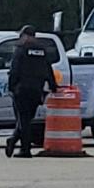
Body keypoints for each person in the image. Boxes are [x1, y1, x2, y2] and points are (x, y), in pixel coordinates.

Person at [6, 25, 58, 158]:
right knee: (27, 120)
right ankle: (14, 141)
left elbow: (14, 70)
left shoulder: (20, 50)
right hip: (36, 90)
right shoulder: (42, 50)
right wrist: (53, 85)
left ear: (26, 36)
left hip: (22, 90)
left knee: (23, 120)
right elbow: (48, 69)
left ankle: (24, 149)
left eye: (22, 35)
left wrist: (11, 87)